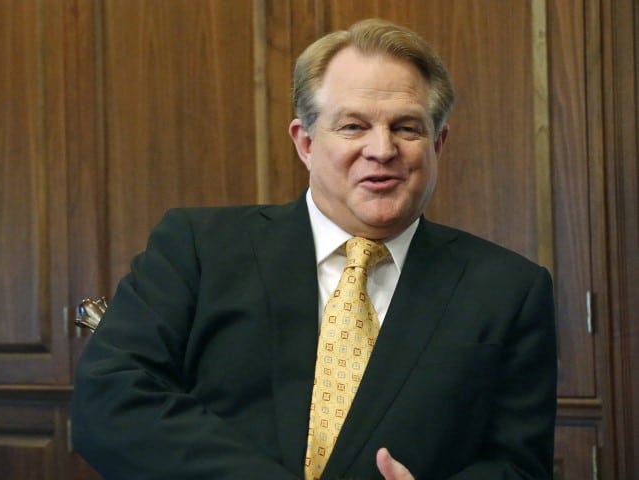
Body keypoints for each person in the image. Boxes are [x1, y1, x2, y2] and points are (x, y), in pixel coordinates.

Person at [71, 18, 556, 480]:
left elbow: (518, 465)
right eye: (352, 127)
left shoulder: (509, 289)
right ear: (305, 142)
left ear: (438, 143)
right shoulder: (198, 248)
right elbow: (111, 402)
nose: (382, 150)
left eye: (407, 128)